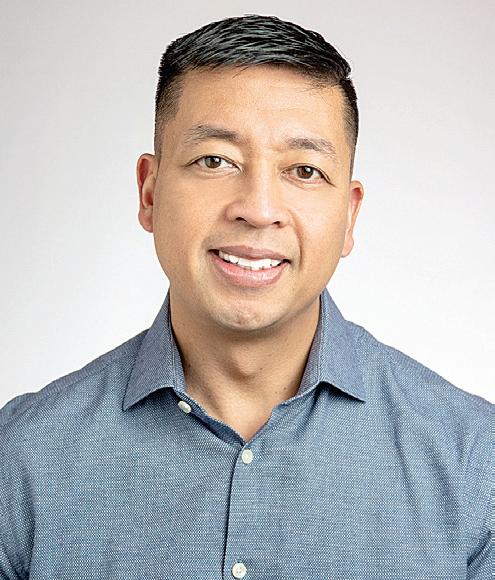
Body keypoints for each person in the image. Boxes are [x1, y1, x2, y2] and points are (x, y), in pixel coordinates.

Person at [0, 14, 492, 580]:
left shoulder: (476, 463)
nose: (258, 209)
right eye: (215, 161)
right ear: (150, 192)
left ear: (350, 214)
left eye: (304, 170)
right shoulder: (23, 458)